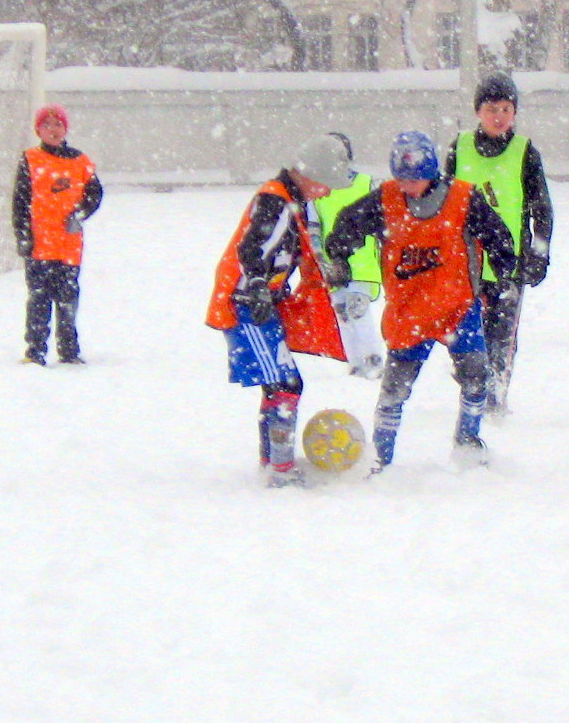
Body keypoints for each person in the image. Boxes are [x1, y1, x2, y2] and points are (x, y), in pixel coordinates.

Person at [325, 131, 517, 475]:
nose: (408, 186)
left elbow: (499, 237)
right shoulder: (383, 200)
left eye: (416, 179)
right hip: (408, 314)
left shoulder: (463, 198)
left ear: (432, 172)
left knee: (476, 378)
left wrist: (500, 280)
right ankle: (379, 456)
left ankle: (467, 443)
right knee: (395, 390)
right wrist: (339, 258)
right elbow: (345, 226)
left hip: (458, 309)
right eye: (402, 179)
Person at [205, 135, 351, 488]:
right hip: (245, 305)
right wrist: (256, 284)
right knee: (284, 385)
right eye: (326, 185)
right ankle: (280, 470)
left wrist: (329, 273)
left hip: (263, 305)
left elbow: (295, 251)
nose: (328, 193)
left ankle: (273, 460)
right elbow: (252, 247)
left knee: (281, 386)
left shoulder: (293, 201)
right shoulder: (276, 201)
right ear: (311, 175)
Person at [444, 72, 553, 415]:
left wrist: (539, 252)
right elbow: (440, 203)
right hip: (465, 263)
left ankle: (493, 398)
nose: (499, 116)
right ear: (478, 111)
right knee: (466, 333)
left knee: (501, 337)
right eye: (492, 108)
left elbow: (542, 207)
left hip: (509, 264)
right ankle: (471, 385)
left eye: (506, 108)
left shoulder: (525, 153)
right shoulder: (459, 148)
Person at [12, 103, 103, 366]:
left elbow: (95, 194)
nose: (53, 130)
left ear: (65, 129)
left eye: (58, 124)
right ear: (38, 130)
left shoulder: (80, 161)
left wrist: (80, 214)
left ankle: (69, 351)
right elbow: (20, 202)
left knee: (68, 299)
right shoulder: (30, 159)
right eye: (47, 125)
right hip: (40, 244)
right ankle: (35, 351)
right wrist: (24, 236)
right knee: (39, 298)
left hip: (68, 245)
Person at [311, 132, 385, 379]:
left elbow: (384, 222)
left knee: (358, 309)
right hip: (333, 265)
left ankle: (373, 359)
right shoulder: (317, 190)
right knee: (342, 313)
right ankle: (355, 363)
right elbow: (313, 228)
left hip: (363, 263)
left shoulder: (366, 183)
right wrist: (321, 260)